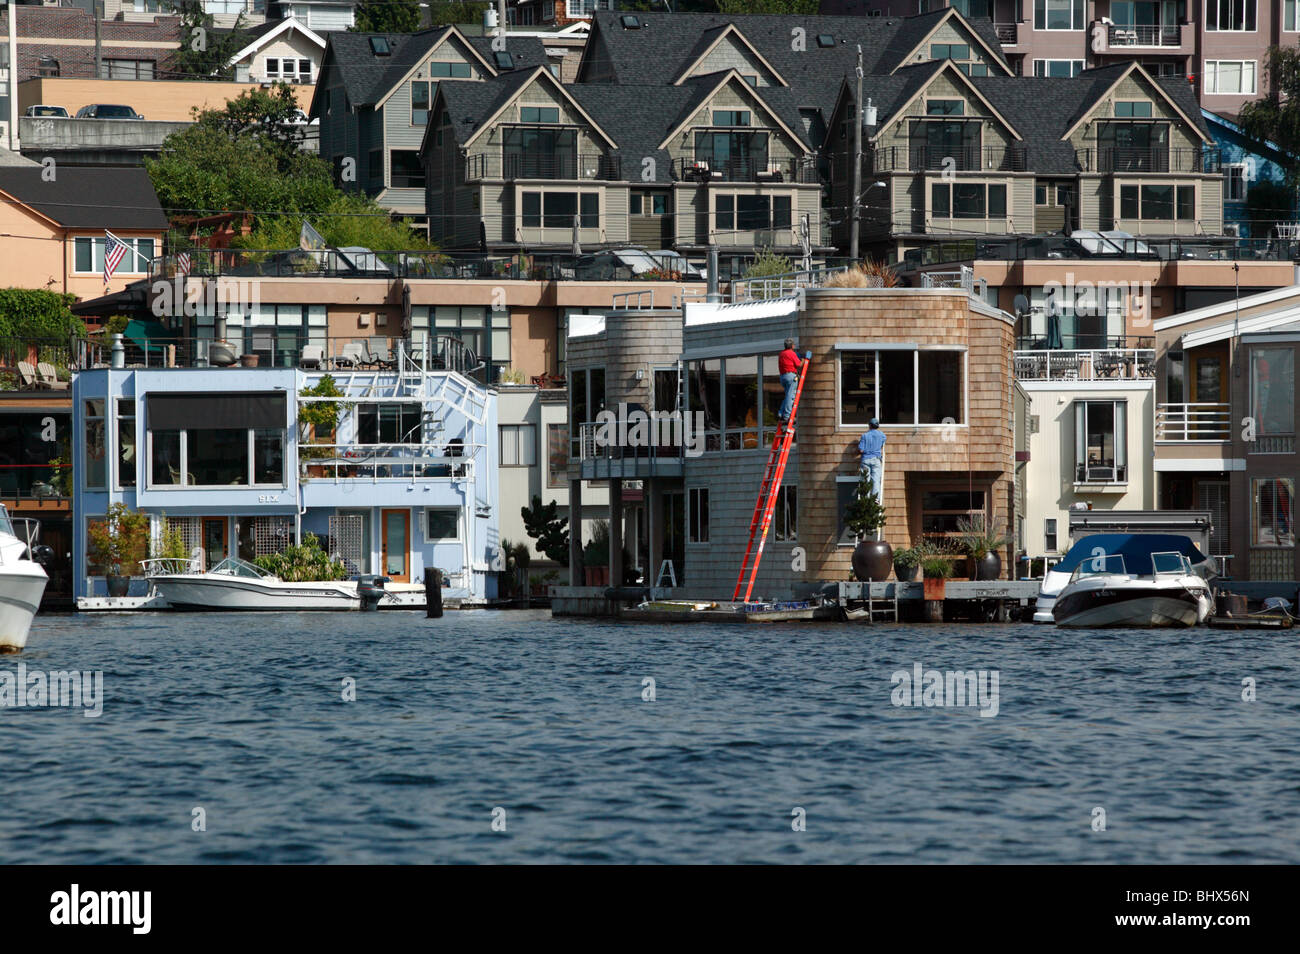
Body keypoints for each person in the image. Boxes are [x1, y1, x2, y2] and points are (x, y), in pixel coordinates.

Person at [858, 418, 885, 502]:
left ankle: (865, 498)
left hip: (865, 459)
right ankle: (875, 498)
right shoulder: (882, 435)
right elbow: (882, 443)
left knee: (865, 479)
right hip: (876, 459)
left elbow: (861, 450)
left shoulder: (864, 436)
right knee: (876, 480)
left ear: (869, 425)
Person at [778, 338, 801, 422]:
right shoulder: (791, 353)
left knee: (788, 395)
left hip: (783, 377)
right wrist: (804, 360)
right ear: (791, 346)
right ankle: (787, 415)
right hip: (791, 376)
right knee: (790, 396)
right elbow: (799, 365)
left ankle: (781, 413)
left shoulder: (781, 354)